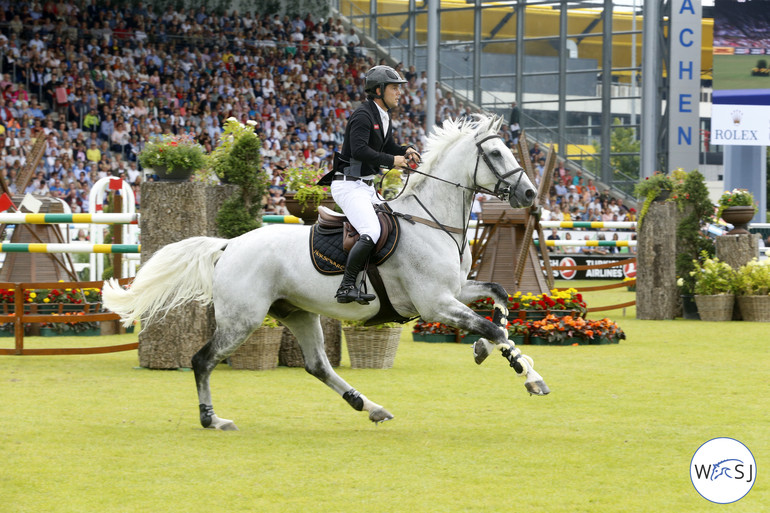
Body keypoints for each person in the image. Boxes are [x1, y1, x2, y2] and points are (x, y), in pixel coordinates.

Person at [326, 65, 421, 305]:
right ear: (378, 90)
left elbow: (387, 146)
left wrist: (405, 150)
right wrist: (392, 161)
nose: (399, 93)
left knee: (395, 224)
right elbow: (359, 150)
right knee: (372, 230)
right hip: (348, 185)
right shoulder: (363, 115)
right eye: (394, 88)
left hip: (366, 186)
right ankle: (346, 287)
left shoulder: (382, 115)